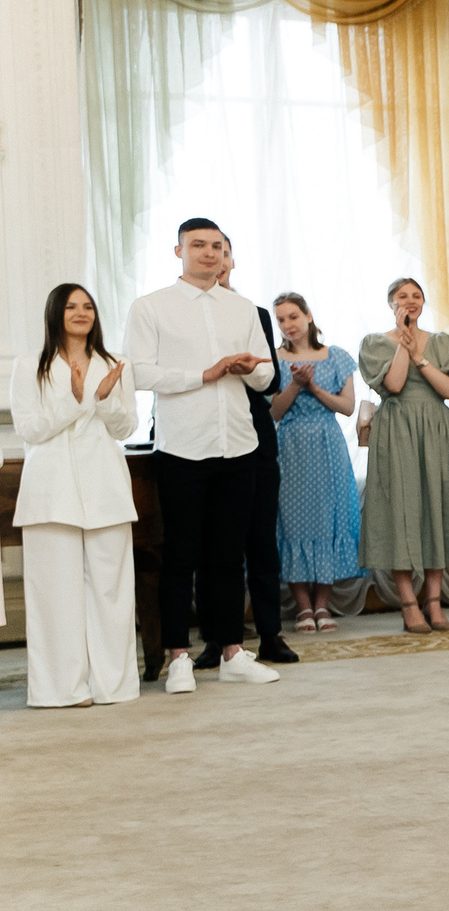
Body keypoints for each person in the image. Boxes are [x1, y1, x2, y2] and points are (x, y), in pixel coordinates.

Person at [122, 218, 279, 691]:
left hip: (238, 442)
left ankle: (232, 651)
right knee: (180, 555)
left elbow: (268, 378)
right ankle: (178, 658)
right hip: (183, 446)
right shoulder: (151, 307)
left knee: (229, 555)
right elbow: (140, 373)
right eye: (198, 245)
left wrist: (248, 368)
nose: (209, 253)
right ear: (178, 251)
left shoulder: (242, 308)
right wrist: (204, 374)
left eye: (216, 246)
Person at [11, 283, 140, 706]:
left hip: (105, 486)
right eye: (71, 306)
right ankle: (61, 690)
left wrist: (103, 399)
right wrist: (75, 398)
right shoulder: (30, 364)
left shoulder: (114, 363)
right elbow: (30, 429)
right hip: (51, 491)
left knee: (111, 591)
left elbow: (125, 429)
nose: (81, 312)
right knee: (55, 594)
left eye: (88, 306)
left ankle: (113, 685)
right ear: (55, 313)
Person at [359, 278, 449, 633]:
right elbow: (393, 385)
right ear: (391, 305)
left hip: (435, 429)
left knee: (436, 510)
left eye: (416, 296)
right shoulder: (376, 343)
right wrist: (404, 346)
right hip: (396, 430)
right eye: (402, 297)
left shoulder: (441, 342)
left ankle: (434, 602)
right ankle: (409, 603)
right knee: (400, 511)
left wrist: (420, 355)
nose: (410, 302)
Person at [210, 242, 295, 668]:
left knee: (261, 542)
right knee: (215, 548)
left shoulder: (254, 313)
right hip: (205, 442)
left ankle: (270, 634)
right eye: (207, 250)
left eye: (223, 252)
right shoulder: (182, 313)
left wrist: (244, 370)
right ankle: (216, 639)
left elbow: (273, 377)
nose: (216, 259)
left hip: (256, 440)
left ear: (231, 261)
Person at [267, 292, 361, 632]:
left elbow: (347, 407)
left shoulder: (336, 356)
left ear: (308, 316)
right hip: (290, 446)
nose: (287, 325)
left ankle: (323, 605)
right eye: (280, 319)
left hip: (327, 445)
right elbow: (275, 411)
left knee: (327, 522)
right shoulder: (273, 359)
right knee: (292, 524)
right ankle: (303, 607)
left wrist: (314, 387)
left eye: (293, 316)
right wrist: (295, 383)